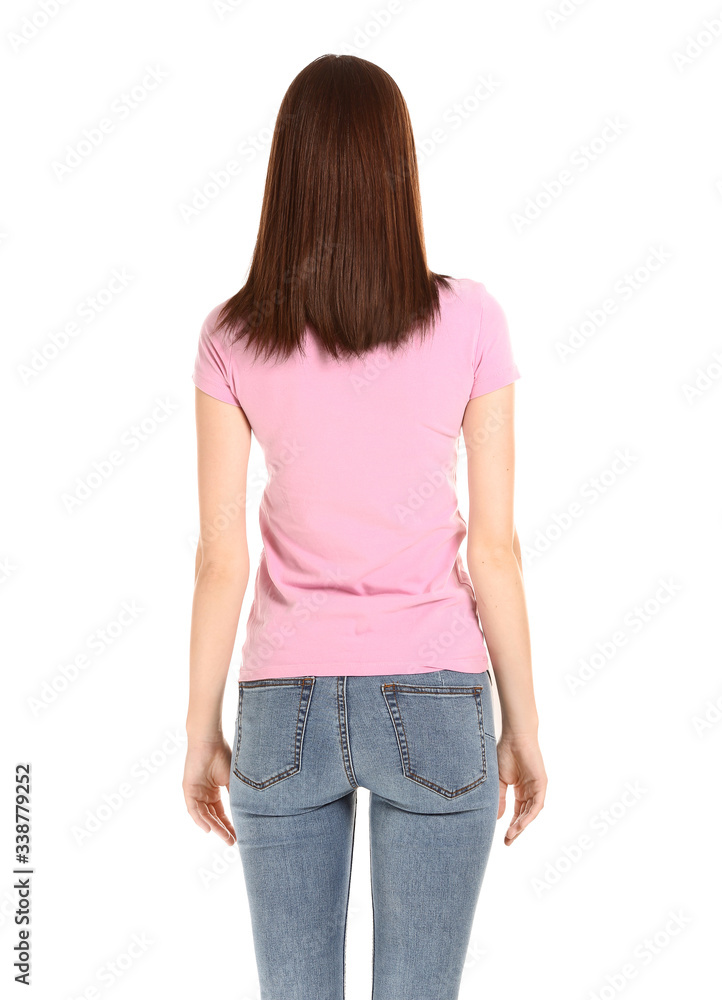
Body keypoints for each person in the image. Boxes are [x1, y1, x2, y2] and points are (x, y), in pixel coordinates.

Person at [182, 52, 547, 1000]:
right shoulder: (471, 321)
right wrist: (525, 727)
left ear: (285, 173)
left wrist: (199, 730)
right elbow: (496, 550)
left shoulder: (233, 335)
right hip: (436, 697)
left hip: (281, 706)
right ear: (400, 169)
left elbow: (222, 555)